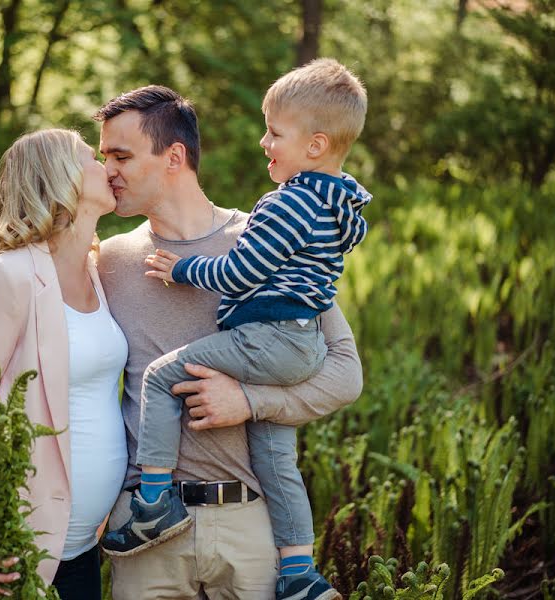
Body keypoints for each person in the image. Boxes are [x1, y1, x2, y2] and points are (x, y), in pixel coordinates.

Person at [102, 59, 370, 600]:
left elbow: (344, 374)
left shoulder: (269, 240)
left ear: (174, 156)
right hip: (145, 535)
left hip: (248, 525)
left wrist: (249, 401)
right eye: (103, 156)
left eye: (121, 156)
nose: (107, 169)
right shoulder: (105, 262)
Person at [0, 129, 128, 600]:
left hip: (83, 549)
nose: (109, 167)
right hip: (18, 554)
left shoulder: (100, 272)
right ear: (62, 178)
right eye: (93, 158)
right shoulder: (7, 275)